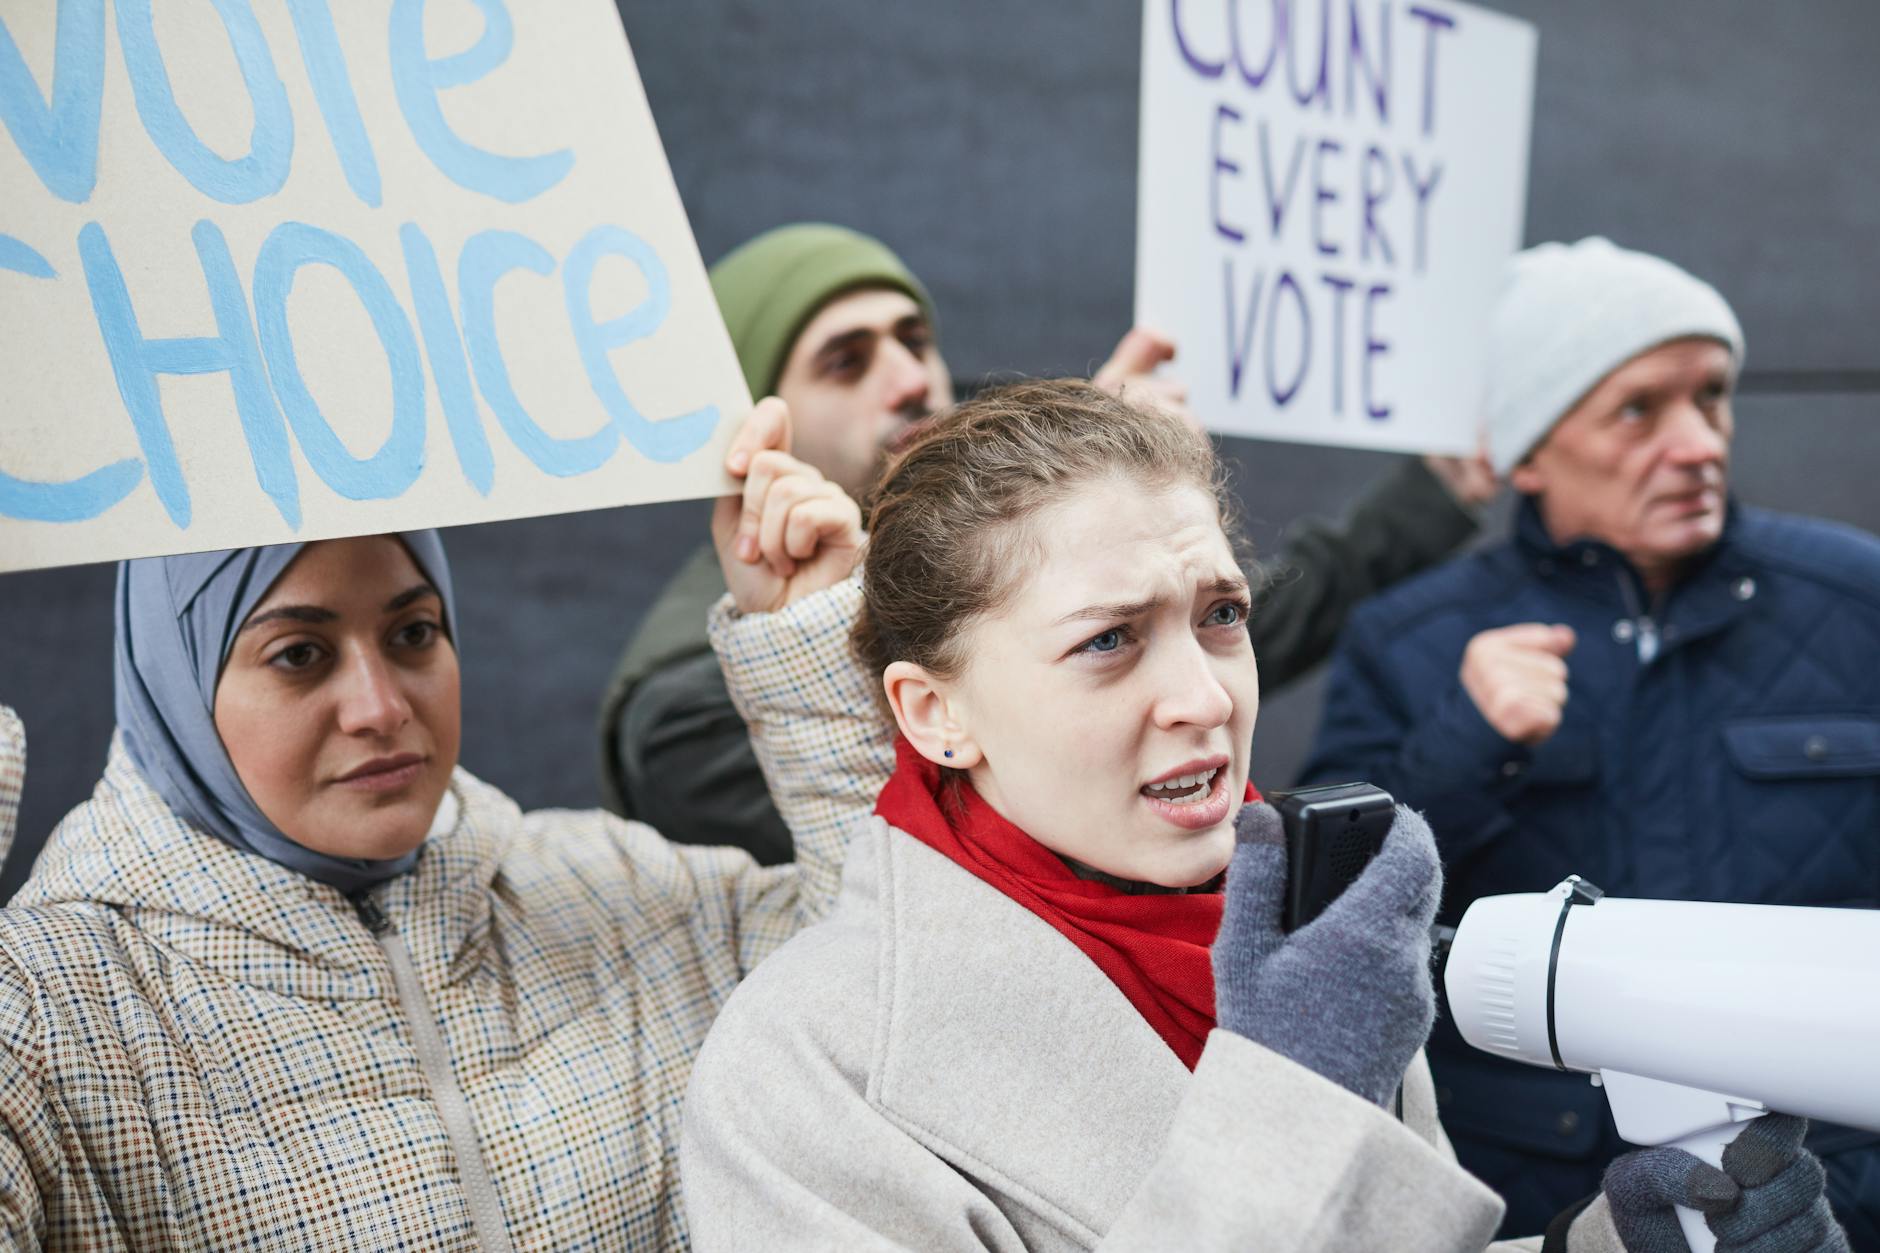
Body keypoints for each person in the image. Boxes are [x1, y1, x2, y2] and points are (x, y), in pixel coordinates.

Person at [679, 380, 1847, 1252]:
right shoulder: (801, 1071)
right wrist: (1298, 1094)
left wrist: (1592, 1247)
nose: (1202, 695)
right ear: (933, 711)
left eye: (1220, 613)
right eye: (1106, 639)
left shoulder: (1283, 935)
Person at [0, 405, 882, 1250]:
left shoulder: (617, 886)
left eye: (414, 632)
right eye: (299, 654)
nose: (380, 707)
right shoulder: (44, 1008)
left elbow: (890, 1001)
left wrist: (812, 659)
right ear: (177, 688)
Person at [1301, 237, 1880, 1245]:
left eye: (1711, 395)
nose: (1697, 441)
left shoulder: (1854, 599)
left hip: (1833, 1198)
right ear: (1526, 448)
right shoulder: (1408, 638)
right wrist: (1465, 744)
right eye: (1636, 409)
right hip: (1552, 1208)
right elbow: (1324, 923)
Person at [598, 222, 1497, 863]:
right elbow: (882, 872)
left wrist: (1108, 485)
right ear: (758, 422)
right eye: (848, 360)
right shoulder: (682, 707)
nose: (914, 379)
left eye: (916, 340)